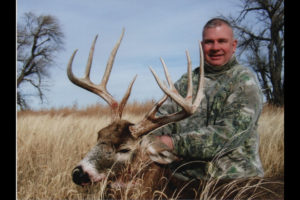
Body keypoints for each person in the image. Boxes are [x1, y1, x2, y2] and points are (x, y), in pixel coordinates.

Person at [146, 18, 264, 181]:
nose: (215, 47)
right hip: (183, 180)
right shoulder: (186, 82)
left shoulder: (244, 81)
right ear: (202, 46)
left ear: (234, 45)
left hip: (233, 181)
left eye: (221, 41)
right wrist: (147, 140)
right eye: (209, 42)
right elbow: (159, 121)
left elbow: (228, 135)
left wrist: (172, 143)